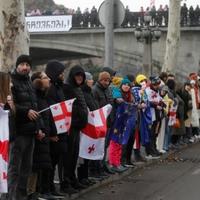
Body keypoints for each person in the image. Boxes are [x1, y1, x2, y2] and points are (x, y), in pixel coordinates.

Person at [8, 55, 42, 200]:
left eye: (27, 65)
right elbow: (11, 105)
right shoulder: (11, 82)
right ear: (17, 66)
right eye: (22, 64)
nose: (25, 67)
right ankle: (10, 196)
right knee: (14, 168)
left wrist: (38, 128)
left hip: (30, 132)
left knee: (26, 168)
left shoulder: (29, 82)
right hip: (18, 131)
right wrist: (25, 111)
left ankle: (21, 196)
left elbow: (35, 106)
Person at [45, 60, 71, 196]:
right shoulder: (51, 89)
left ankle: (51, 188)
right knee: (51, 161)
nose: (63, 75)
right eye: (61, 73)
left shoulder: (59, 87)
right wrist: (53, 132)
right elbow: (51, 112)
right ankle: (48, 188)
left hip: (61, 130)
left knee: (55, 160)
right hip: (55, 131)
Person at [28, 72, 56, 200]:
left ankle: (36, 192)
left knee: (39, 167)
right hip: (37, 137)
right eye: (45, 78)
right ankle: (33, 193)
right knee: (34, 167)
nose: (49, 79)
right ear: (37, 81)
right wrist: (39, 130)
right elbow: (36, 116)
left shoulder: (43, 97)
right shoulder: (35, 97)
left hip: (44, 136)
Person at [63, 65, 88, 191]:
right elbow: (70, 108)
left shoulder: (78, 88)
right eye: (77, 75)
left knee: (74, 155)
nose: (80, 78)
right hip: (71, 127)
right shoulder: (68, 87)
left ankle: (73, 179)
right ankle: (66, 182)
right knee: (68, 156)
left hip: (77, 126)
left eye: (81, 76)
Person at [78, 72, 98, 185]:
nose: (92, 81)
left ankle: (85, 176)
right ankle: (82, 177)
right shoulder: (83, 93)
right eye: (90, 80)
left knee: (88, 152)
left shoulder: (89, 92)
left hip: (91, 125)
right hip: (85, 127)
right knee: (83, 152)